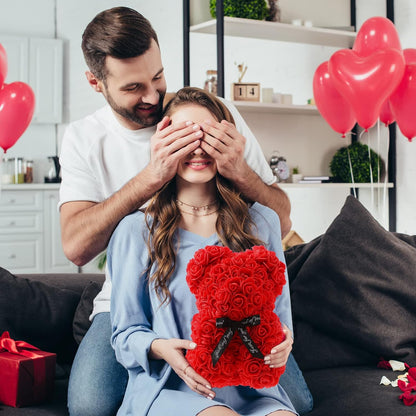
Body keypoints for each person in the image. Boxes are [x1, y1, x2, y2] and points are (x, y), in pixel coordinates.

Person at [58, 7, 310, 416]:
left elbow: (279, 220)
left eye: (158, 77)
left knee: (295, 402)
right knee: (90, 405)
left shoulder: (219, 115)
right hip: (143, 296)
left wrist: (239, 171)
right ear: (96, 82)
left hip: (234, 309)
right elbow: (75, 246)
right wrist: (152, 177)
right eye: (135, 87)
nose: (154, 97)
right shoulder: (86, 139)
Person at [109, 86, 298, 416]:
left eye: (209, 136)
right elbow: (124, 334)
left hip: (253, 390)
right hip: (170, 387)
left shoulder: (263, 222)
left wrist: (283, 344)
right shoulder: (136, 231)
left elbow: (280, 321)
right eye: (183, 137)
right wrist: (161, 348)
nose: (197, 149)